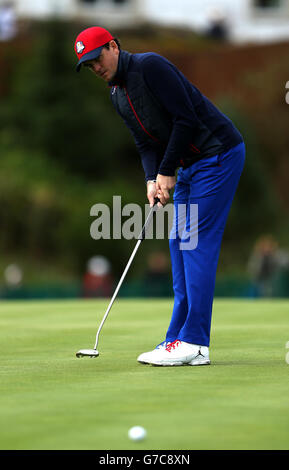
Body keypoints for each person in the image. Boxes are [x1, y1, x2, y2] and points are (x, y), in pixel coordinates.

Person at [74, 26, 245, 366]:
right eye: (88, 65)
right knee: (177, 241)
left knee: (195, 241)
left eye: (97, 59)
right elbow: (145, 141)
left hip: (218, 155)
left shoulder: (150, 67)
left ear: (113, 46)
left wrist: (166, 171)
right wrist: (152, 178)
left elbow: (185, 119)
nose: (96, 68)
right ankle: (176, 339)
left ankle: (195, 342)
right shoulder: (116, 94)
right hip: (187, 165)